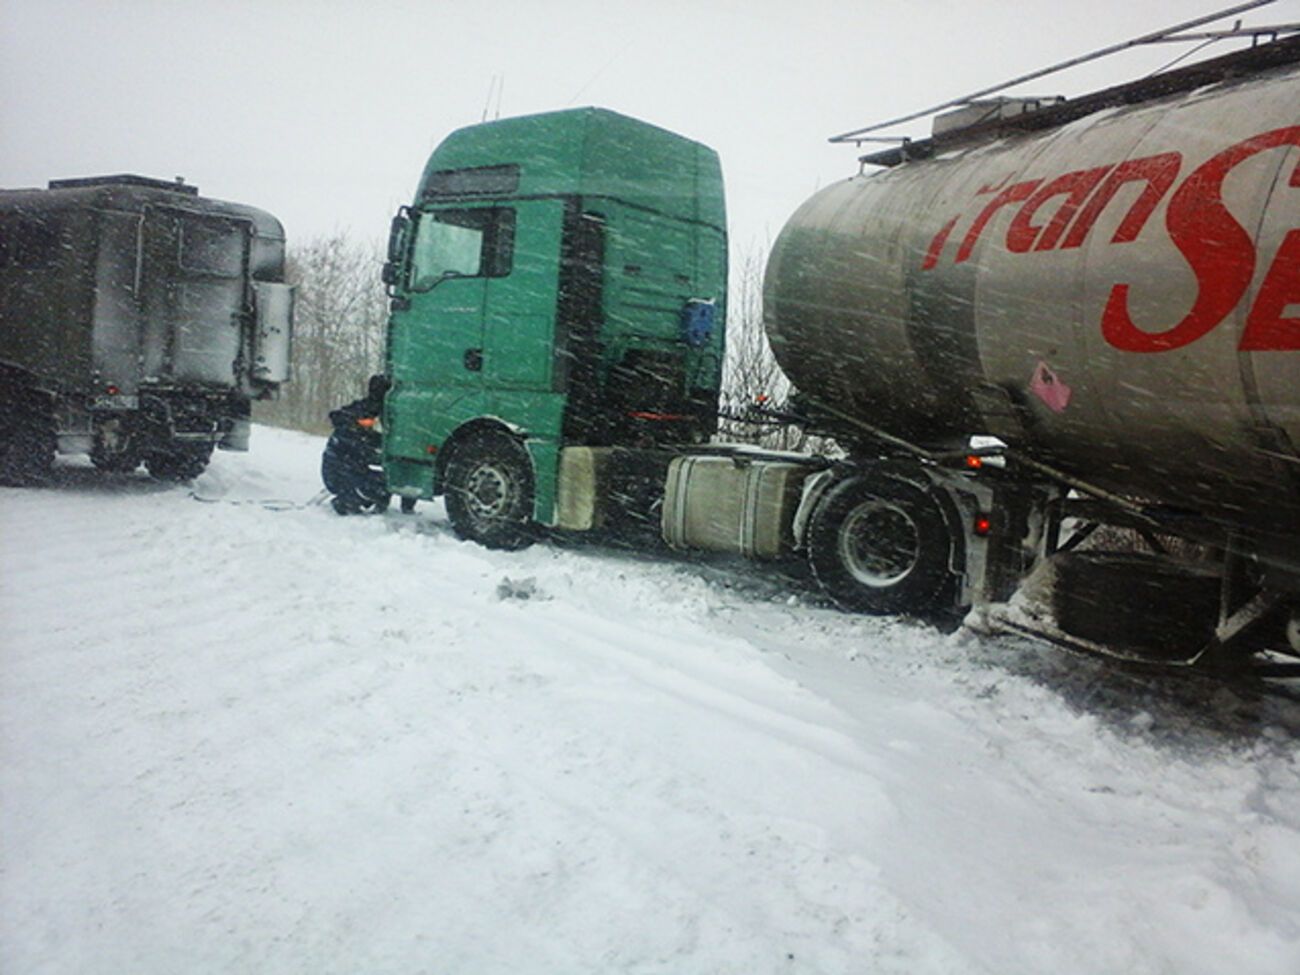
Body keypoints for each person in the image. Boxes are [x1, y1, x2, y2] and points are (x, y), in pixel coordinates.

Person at [321, 374, 391, 515]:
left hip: (344, 469)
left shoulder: (364, 409)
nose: (370, 424)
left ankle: (358, 498)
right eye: (368, 422)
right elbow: (364, 447)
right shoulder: (358, 418)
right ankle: (346, 501)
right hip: (339, 473)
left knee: (382, 485)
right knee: (377, 487)